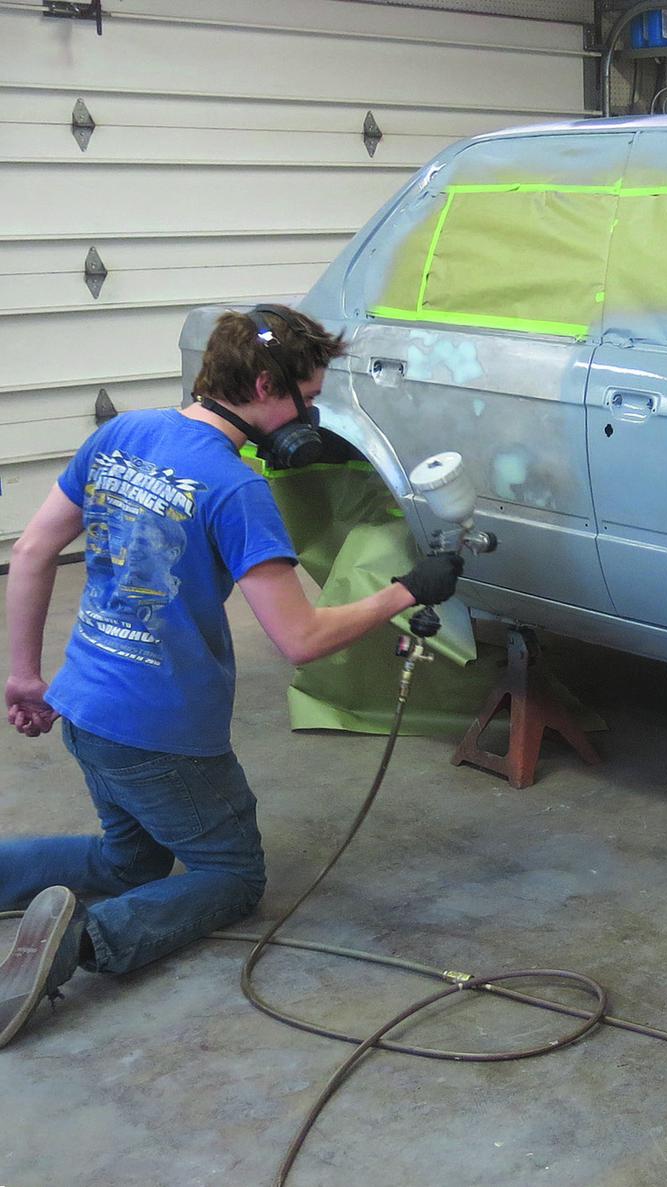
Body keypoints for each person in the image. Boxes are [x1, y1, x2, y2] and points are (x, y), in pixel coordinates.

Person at [0, 305, 463, 1048]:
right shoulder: (236, 489)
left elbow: (29, 554)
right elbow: (301, 639)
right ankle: (82, 945)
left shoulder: (120, 434)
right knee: (233, 874)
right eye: (305, 398)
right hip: (161, 732)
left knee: (132, 859)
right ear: (260, 383)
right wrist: (407, 590)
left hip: (83, 706)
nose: (309, 414)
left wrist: (25, 677)